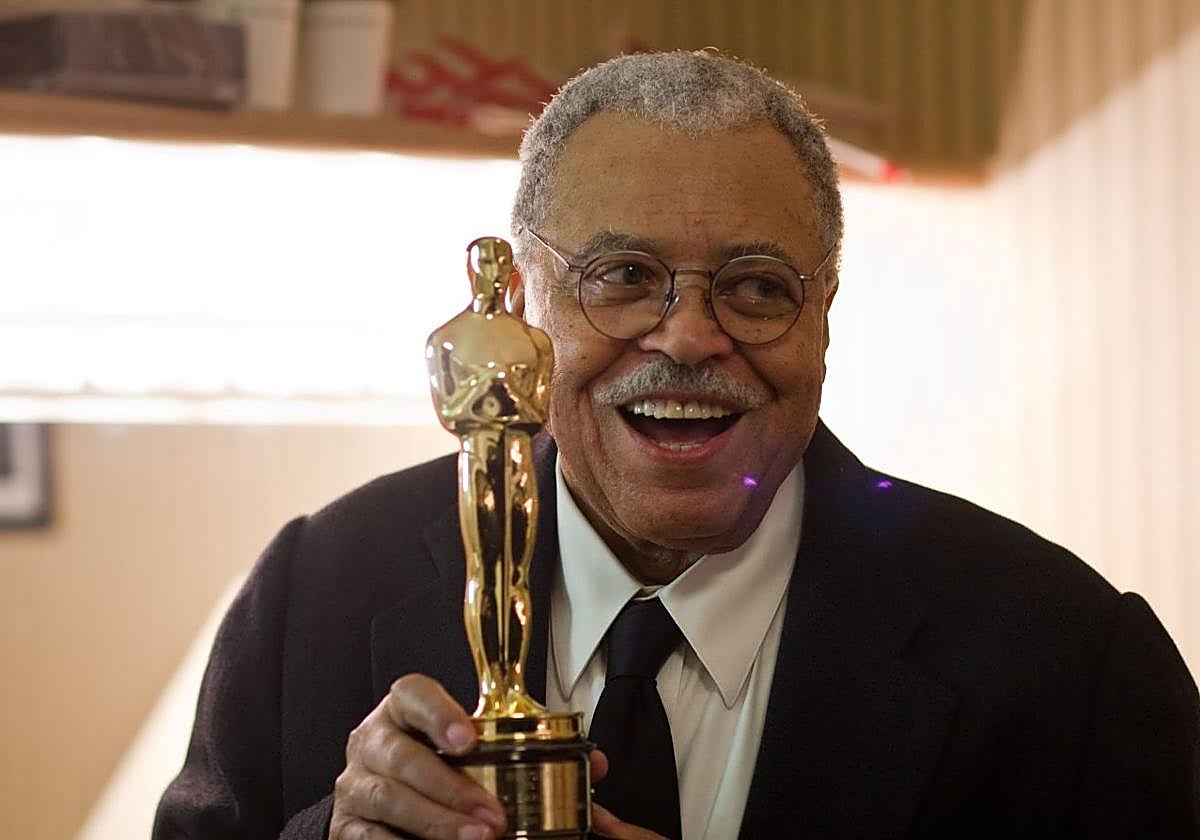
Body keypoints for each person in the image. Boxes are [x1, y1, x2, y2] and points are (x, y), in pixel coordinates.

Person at [155, 51, 1200, 840]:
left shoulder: (1068, 661)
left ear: (824, 312)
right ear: (523, 299)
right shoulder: (316, 593)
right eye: (622, 277)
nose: (690, 338)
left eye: (756, 287)